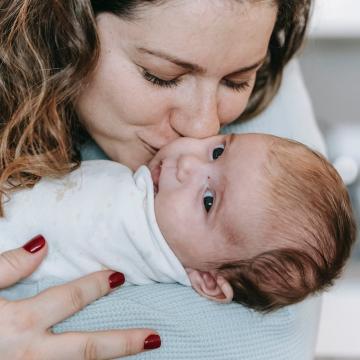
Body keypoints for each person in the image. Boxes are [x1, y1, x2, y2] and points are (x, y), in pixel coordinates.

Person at [0, 0, 319, 358]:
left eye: (237, 81)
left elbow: (274, 334)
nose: (204, 127)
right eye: (160, 76)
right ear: (67, 19)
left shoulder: (251, 27)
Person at [1, 133, 355, 313]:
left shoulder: (137, 238)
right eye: (217, 151)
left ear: (208, 281)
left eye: (208, 201)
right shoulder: (153, 205)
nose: (188, 164)